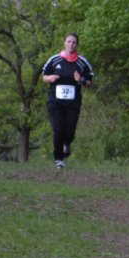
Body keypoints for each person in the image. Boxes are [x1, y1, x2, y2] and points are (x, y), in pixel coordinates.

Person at [41, 33, 95, 169]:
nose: (71, 44)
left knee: (69, 131)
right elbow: (44, 77)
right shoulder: (54, 60)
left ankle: (66, 143)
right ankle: (58, 159)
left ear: (77, 45)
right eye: (69, 41)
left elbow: (89, 83)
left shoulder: (82, 62)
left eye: (74, 42)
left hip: (73, 104)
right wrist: (50, 78)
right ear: (64, 42)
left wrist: (81, 80)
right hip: (55, 102)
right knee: (58, 128)